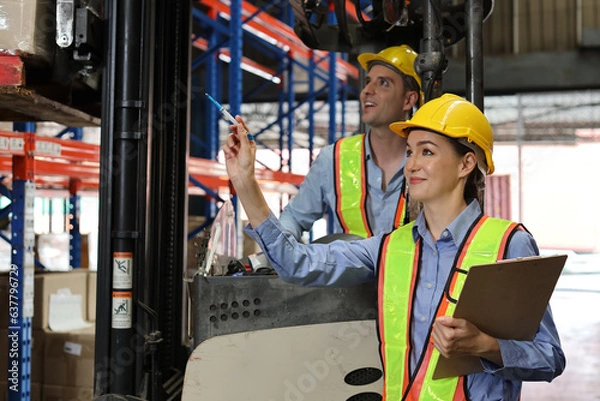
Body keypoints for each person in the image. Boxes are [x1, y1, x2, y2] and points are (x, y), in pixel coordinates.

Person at [223, 93, 565, 400]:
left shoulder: (508, 243)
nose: (412, 164)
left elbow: (549, 357)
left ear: (466, 164)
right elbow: (296, 262)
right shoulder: (388, 248)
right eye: (410, 152)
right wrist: (245, 183)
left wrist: (485, 346)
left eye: (427, 152)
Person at [279, 45, 421, 240]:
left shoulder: (427, 162)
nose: (367, 91)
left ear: (408, 100)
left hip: (410, 271)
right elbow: (294, 217)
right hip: (350, 271)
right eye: (368, 81)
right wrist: (279, 248)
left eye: (383, 83)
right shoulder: (334, 159)